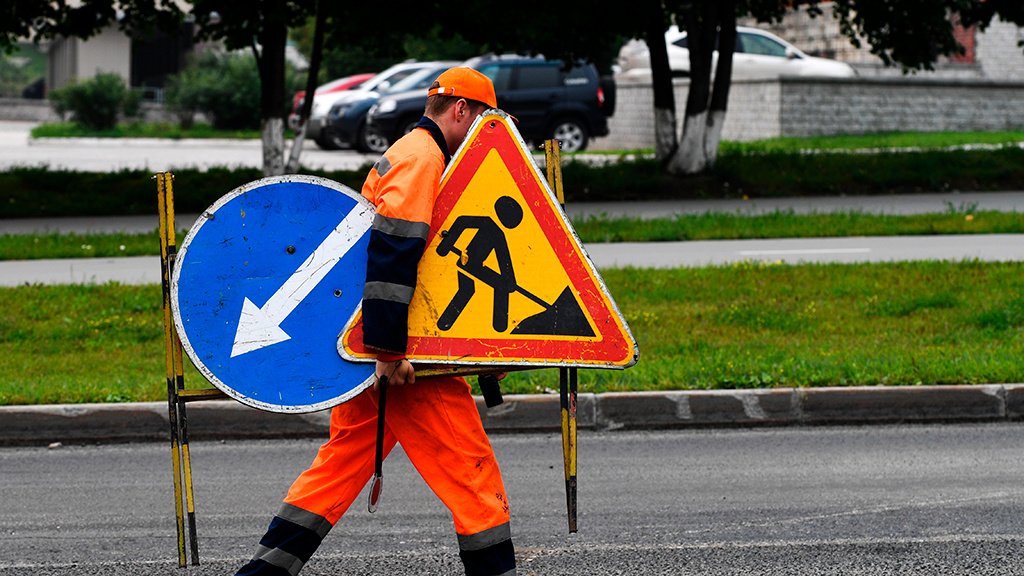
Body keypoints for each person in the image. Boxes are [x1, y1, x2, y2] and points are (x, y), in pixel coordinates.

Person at [235, 68, 516, 576]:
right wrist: (388, 353)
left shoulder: (414, 152)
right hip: (400, 355)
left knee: (338, 468)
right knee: (473, 479)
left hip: (374, 342)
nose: (484, 132)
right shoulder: (423, 159)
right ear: (462, 111)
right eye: (485, 120)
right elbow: (392, 254)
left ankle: (262, 575)